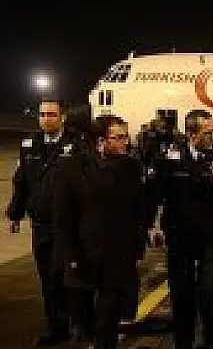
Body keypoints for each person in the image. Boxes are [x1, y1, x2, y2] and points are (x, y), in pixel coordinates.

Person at [52, 115, 151, 348]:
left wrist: (138, 245)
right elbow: (63, 216)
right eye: (118, 138)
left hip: (118, 254)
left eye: (126, 137)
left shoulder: (131, 167)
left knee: (109, 315)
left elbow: (138, 208)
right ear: (100, 141)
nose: (125, 142)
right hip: (83, 252)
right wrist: (69, 254)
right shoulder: (73, 167)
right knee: (83, 317)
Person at [151, 109, 213, 349]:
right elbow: (156, 193)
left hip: (211, 236)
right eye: (208, 133)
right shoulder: (169, 157)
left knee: (212, 293)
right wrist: (153, 225)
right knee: (181, 294)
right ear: (192, 134)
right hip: (179, 236)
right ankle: (184, 341)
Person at [6, 99, 73, 346]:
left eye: (52, 114)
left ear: (62, 117)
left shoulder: (76, 145)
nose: (46, 119)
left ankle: (80, 323)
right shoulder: (30, 145)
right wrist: (15, 214)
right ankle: (57, 327)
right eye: (43, 114)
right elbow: (21, 182)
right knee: (49, 278)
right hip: (42, 224)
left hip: (69, 224)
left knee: (71, 276)